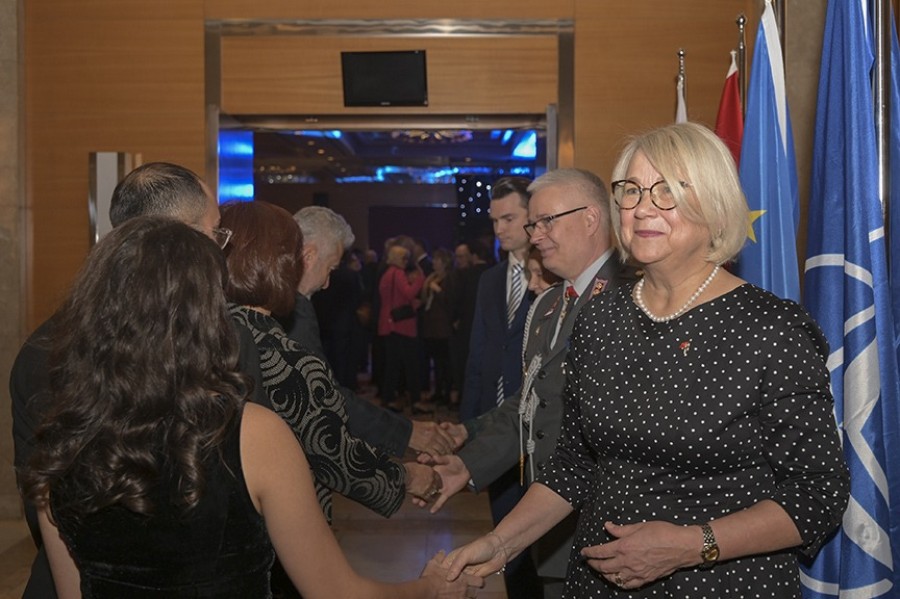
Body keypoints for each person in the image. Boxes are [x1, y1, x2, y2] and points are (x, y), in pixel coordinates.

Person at [442, 123, 851, 598]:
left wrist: (690, 546)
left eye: (668, 190)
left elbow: (818, 493)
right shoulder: (599, 318)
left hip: (720, 584)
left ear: (715, 206)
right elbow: (573, 466)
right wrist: (500, 543)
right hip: (597, 583)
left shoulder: (771, 328)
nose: (642, 207)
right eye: (632, 190)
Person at [19, 217, 481, 599]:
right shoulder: (252, 433)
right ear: (203, 314)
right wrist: (431, 588)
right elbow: (337, 591)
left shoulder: (60, 441)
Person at [8, 161, 266, 599]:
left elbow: (45, 503)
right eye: (214, 232)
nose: (220, 248)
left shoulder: (43, 346)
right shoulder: (219, 340)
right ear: (180, 238)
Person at [421, 168, 636, 599]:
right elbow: (529, 404)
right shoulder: (550, 304)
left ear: (591, 218)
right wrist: (469, 464)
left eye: (546, 222)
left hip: (612, 531)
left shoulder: (633, 298)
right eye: (533, 225)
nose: (535, 236)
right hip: (547, 525)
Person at [283, 206, 455, 458]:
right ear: (308, 256)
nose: (327, 283)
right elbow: (323, 395)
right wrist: (406, 435)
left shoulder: (271, 295)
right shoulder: (295, 308)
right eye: (330, 269)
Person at [458, 176, 541, 599]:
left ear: (533, 216)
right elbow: (478, 356)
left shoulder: (552, 276)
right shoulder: (489, 280)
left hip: (540, 432)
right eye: (494, 221)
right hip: (496, 431)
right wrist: (469, 428)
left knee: (543, 544)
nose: (499, 229)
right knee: (506, 540)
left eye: (508, 218)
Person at [378, 244, 427, 413]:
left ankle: (388, 399)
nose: (406, 261)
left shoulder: (387, 274)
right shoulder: (397, 273)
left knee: (393, 365)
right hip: (400, 325)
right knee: (411, 365)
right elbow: (408, 293)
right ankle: (415, 401)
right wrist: (420, 279)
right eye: (404, 258)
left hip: (389, 323)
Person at [420, 248, 455, 406]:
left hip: (442, 327)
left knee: (445, 362)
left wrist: (438, 290)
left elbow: (450, 301)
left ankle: (446, 393)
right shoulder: (432, 277)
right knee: (436, 361)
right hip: (431, 326)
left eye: (436, 260)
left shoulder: (449, 278)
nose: (433, 262)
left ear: (444, 262)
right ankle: (438, 391)